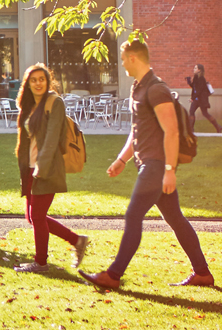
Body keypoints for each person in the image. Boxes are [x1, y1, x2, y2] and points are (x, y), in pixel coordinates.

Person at [83, 38, 215, 290]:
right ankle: (202, 273)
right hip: (149, 164)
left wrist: (169, 171)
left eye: (123, 59)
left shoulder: (156, 89)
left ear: (133, 58)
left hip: (157, 165)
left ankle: (113, 275)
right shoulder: (139, 88)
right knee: (175, 218)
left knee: (133, 214)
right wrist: (122, 159)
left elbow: (172, 131)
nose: (121, 64)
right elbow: (137, 131)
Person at [11, 64, 90, 273]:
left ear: (48, 81)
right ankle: (77, 240)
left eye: (41, 79)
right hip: (29, 167)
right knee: (32, 216)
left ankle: (41, 263)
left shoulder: (54, 103)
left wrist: (41, 167)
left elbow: (53, 138)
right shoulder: (29, 106)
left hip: (46, 168)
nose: (38, 83)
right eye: (33, 80)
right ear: (27, 84)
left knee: (37, 215)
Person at [188, 64, 222, 133]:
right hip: (196, 99)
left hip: (201, 100)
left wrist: (192, 98)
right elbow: (194, 87)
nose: (194, 69)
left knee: (205, 113)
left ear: (199, 70)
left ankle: (218, 127)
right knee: (191, 112)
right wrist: (189, 82)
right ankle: (191, 129)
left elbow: (199, 90)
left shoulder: (202, 79)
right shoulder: (196, 77)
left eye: (195, 68)